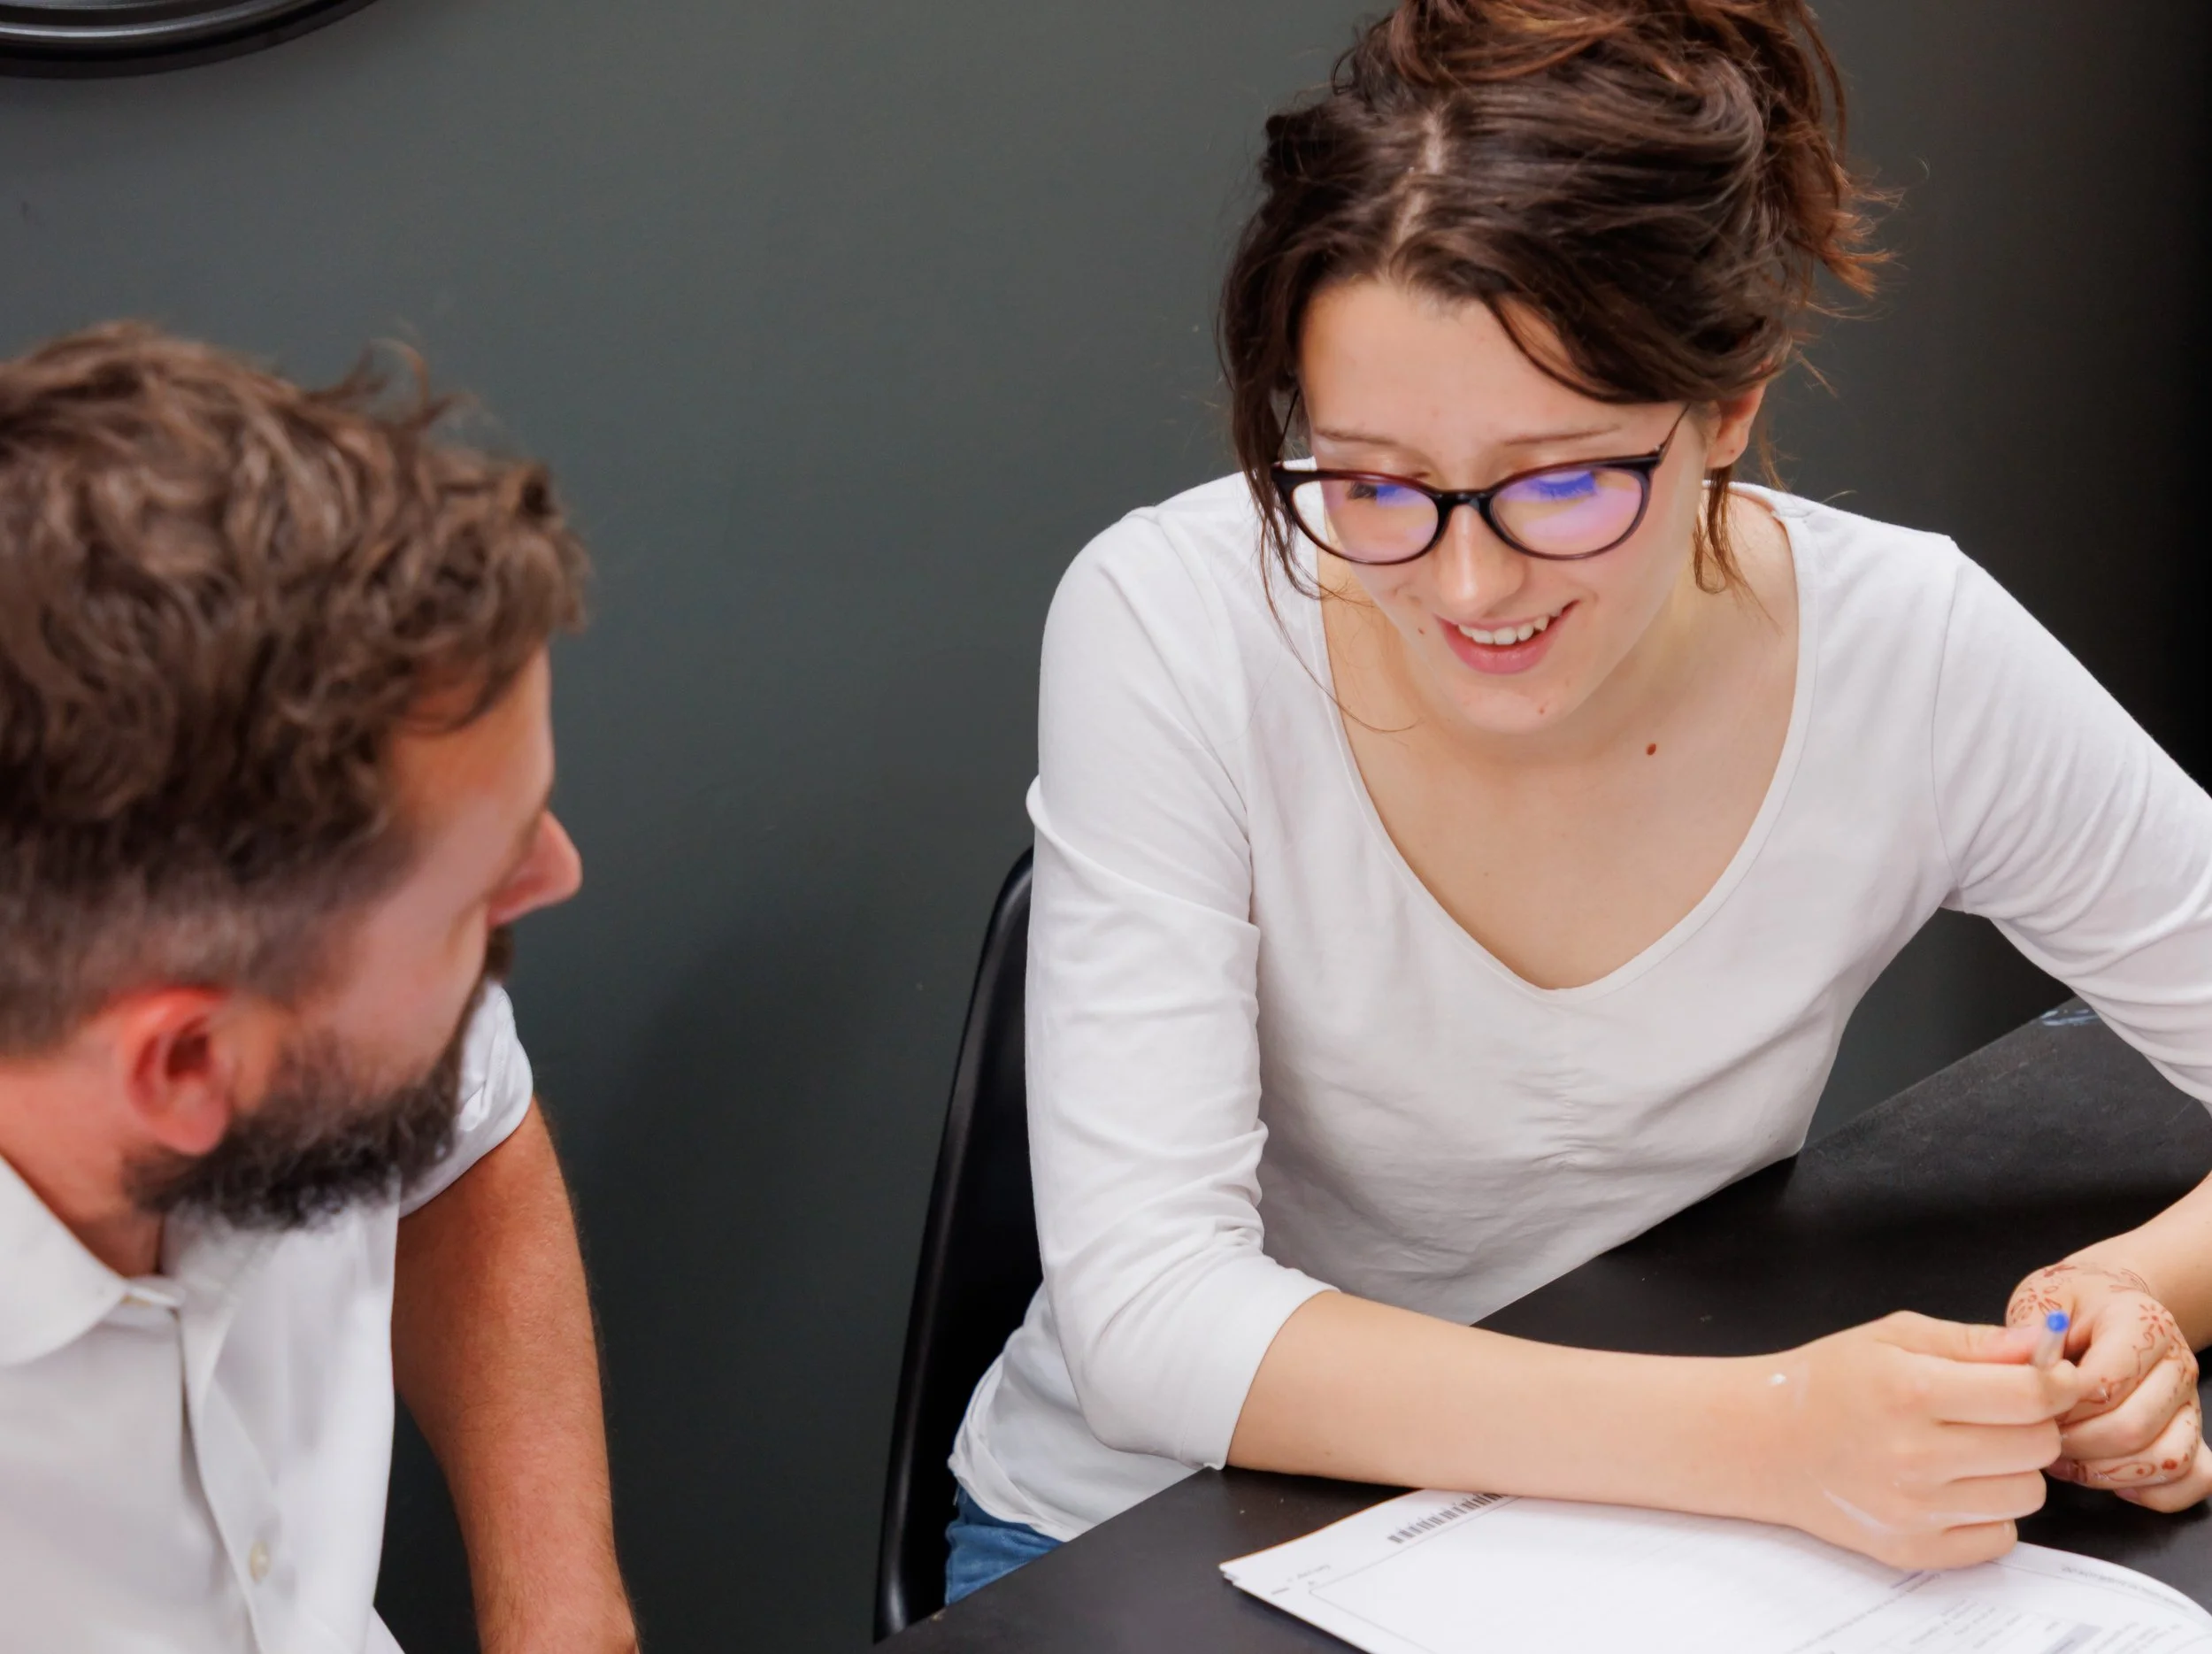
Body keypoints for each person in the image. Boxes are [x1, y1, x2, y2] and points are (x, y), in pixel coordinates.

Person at [945, 0, 2212, 1604]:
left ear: (1728, 407)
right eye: (1371, 483)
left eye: (1562, 480)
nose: (1470, 583)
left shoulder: (1912, 654)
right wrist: (1768, 1433)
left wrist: (2125, 1300)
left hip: (1643, 1540)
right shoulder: (1174, 618)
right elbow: (1148, 1326)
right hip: (1145, 1532)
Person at [0, 325, 635, 1651]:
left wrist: (567, 1624)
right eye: (478, 896)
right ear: (184, 1069)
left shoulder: (313, 1034)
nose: (561, 874)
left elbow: (472, 1138)